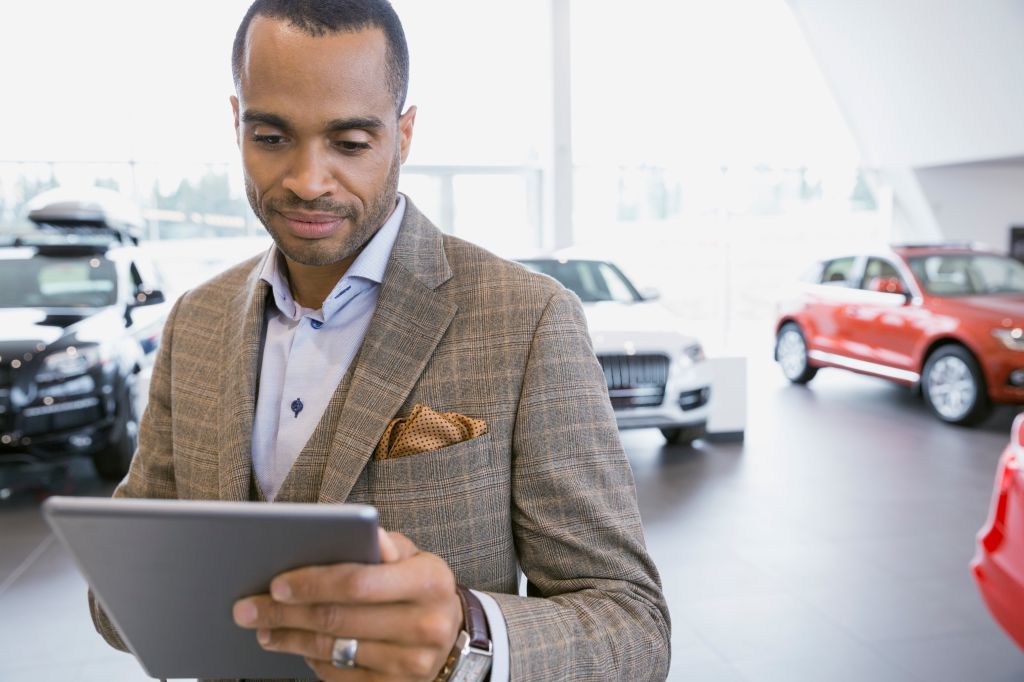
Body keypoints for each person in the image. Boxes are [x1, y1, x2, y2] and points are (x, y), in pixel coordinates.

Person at [89, 1, 671, 680]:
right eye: (272, 138)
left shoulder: (528, 319)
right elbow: (113, 600)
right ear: (237, 122)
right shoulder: (196, 320)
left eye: (350, 143)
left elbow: (634, 629)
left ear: (404, 132)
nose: (308, 181)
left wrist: (468, 639)